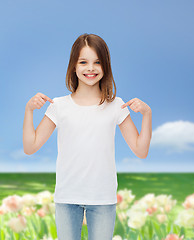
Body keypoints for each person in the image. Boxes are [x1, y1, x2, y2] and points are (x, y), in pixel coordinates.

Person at [23, 33, 152, 240]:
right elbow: (30, 147)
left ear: (106, 66)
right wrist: (29, 110)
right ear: (74, 66)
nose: (90, 68)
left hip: (102, 198)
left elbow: (141, 150)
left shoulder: (116, 105)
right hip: (67, 196)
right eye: (83, 62)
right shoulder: (59, 106)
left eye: (97, 62)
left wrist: (147, 114)